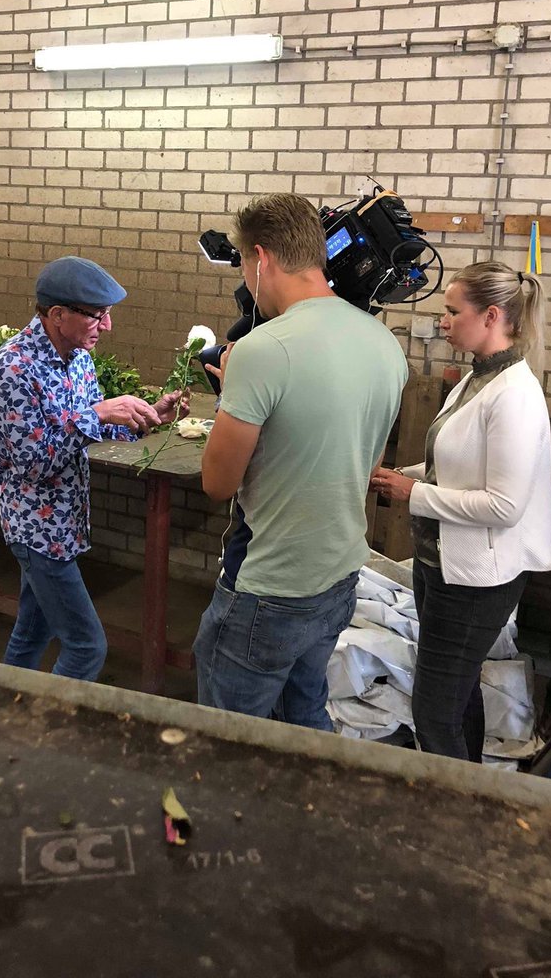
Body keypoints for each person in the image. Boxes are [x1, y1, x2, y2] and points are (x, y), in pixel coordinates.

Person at [194, 192, 409, 731]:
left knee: (227, 734)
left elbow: (218, 483)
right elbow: (361, 459)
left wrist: (235, 399)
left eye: (243, 262)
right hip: (338, 575)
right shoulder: (384, 344)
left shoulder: (262, 350)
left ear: (261, 259)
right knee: (303, 710)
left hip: (270, 586)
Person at [371, 261, 551, 762]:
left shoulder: (514, 395)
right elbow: (455, 467)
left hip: (475, 581)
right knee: (455, 695)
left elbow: (504, 505)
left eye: (453, 311)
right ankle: (469, 783)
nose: (443, 321)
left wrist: (413, 494)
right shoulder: (473, 382)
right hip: (441, 565)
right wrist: (399, 474)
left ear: (492, 315)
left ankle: (451, 814)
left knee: (433, 710)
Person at [0, 255, 186, 681]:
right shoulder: (13, 370)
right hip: (37, 532)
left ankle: (3, 708)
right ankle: (48, 734)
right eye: (97, 316)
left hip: (67, 524)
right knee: (87, 646)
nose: (106, 326)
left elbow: (88, 433)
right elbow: (32, 464)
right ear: (58, 315)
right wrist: (98, 412)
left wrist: (151, 418)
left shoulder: (78, 359)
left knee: (31, 633)